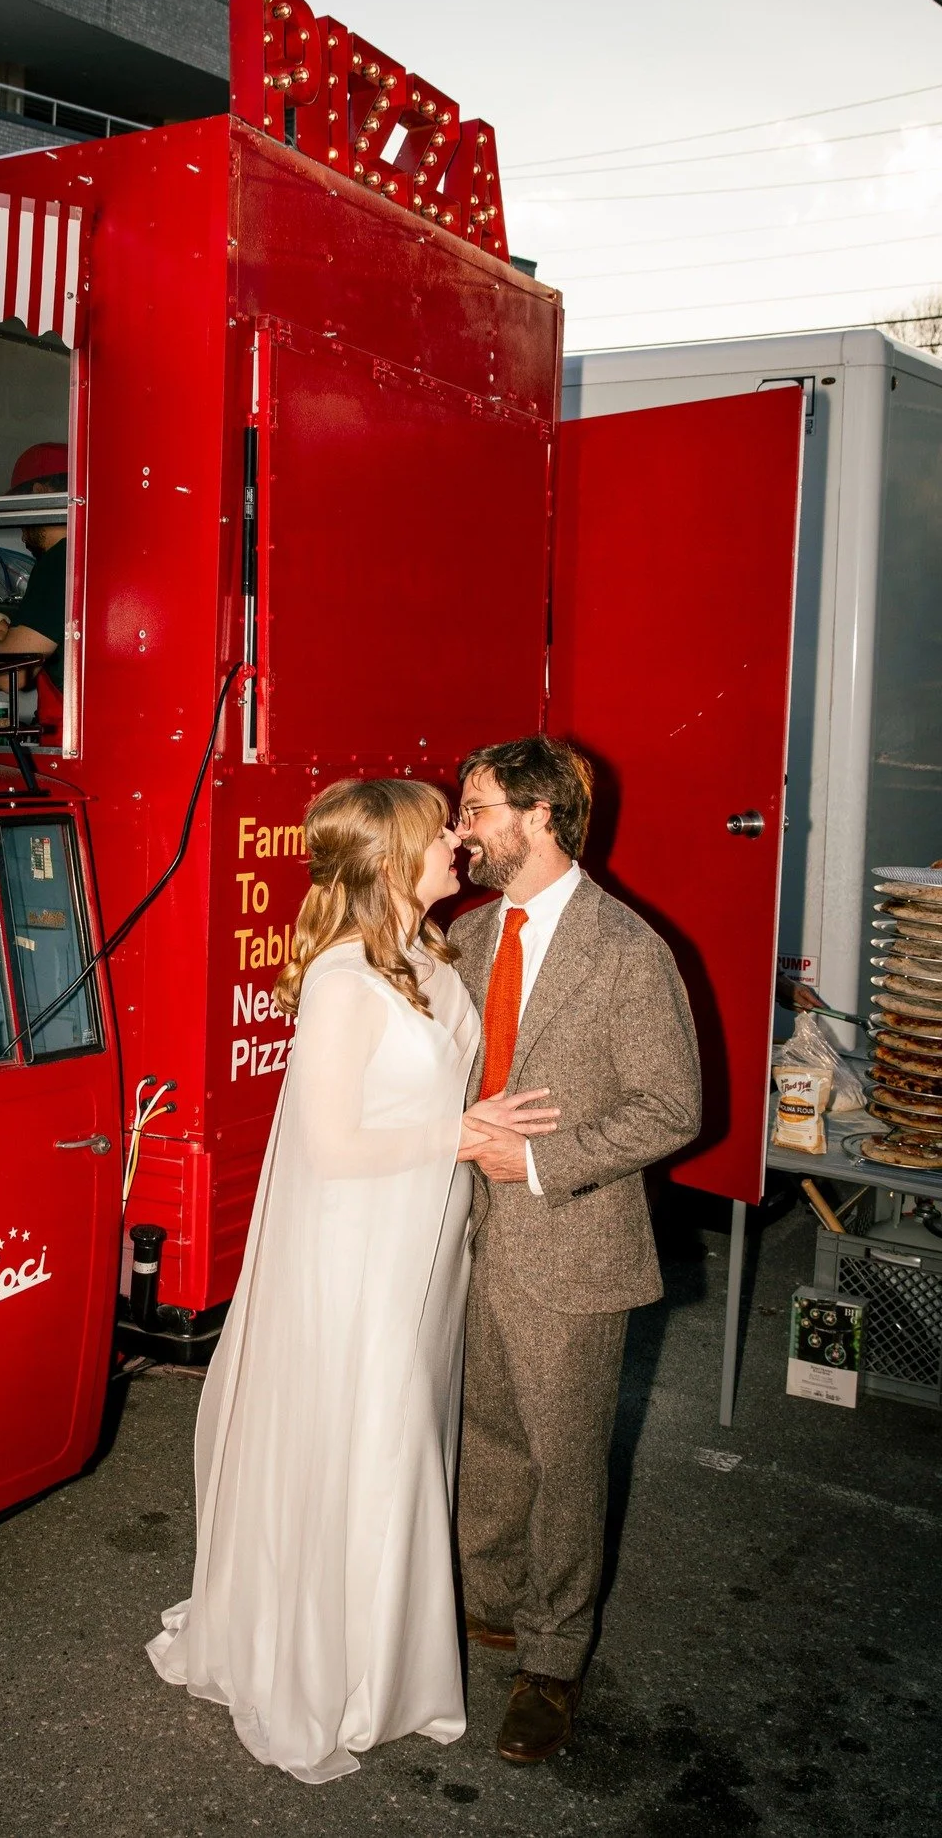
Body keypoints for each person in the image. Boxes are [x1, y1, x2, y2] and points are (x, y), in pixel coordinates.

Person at [147, 777, 560, 1784]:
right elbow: (331, 1144)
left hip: (423, 1245)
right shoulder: (342, 978)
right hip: (360, 1257)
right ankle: (335, 1669)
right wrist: (459, 1133)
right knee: (372, 1446)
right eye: (439, 834)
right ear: (387, 860)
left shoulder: (431, 950)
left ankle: (384, 1665)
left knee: (405, 1443)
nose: (457, 844)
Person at [447, 735, 702, 1765]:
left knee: (564, 1459)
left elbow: (674, 1106)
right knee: (489, 1431)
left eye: (475, 806)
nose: (460, 827)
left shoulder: (629, 949)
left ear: (541, 814)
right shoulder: (465, 935)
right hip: (469, 1236)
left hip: (575, 1241)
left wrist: (541, 1165)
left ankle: (551, 1663)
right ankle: (490, 1604)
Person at [0, 442, 69, 727]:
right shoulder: (97, 556)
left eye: (19, 512)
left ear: (39, 493)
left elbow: (10, 674)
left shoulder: (63, 560)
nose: (22, 534)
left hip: (69, 755)